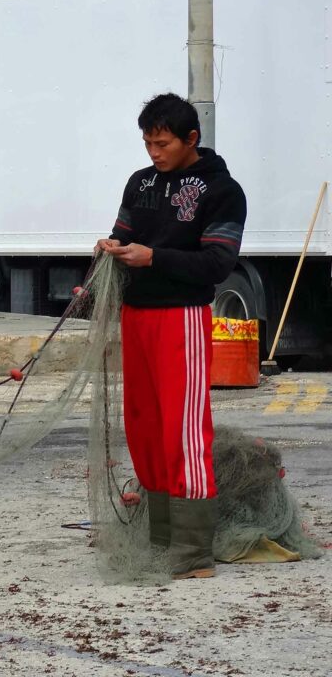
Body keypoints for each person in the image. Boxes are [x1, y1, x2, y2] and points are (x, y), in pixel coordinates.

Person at [96, 93, 247, 580]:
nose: (153, 153)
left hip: (181, 315)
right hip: (136, 315)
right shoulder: (140, 182)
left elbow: (217, 262)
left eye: (162, 144)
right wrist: (110, 248)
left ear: (191, 139)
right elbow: (122, 234)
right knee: (144, 424)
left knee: (183, 427)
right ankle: (161, 539)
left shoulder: (222, 190)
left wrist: (154, 258)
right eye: (147, 143)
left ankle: (194, 551)